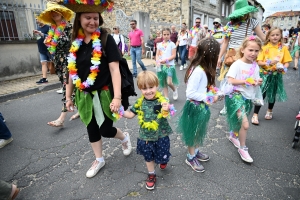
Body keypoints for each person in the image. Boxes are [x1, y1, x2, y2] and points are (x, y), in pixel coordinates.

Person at [63, 1, 132, 178]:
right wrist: (68, 97)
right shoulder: (75, 42)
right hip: (84, 94)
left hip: (105, 94)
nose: (92, 21)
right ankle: (99, 159)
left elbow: (115, 69)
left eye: (95, 18)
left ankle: (124, 138)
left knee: (105, 130)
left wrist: (117, 98)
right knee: (91, 128)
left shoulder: (105, 39)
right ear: (79, 19)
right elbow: (71, 72)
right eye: (88, 18)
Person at [123, 71, 174, 190]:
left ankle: (163, 160)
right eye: (144, 88)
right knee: (148, 156)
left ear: (156, 86)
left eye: (151, 87)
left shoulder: (162, 101)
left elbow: (166, 115)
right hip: (145, 136)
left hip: (161, 134)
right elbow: (130, 114)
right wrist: (119, 111)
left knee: (163, 155)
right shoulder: (139, 103)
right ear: (140, 89)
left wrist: (166, 109)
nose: (148, 91)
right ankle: (151, 174)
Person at [177, 37, 221, 172]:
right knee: (193, 133)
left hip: (201, 107)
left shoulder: (204, 69)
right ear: (211, 56)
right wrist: (208, 97)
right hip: (194, 107)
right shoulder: (198, 71)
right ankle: (190, 157)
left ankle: (195, 151)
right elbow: (190, 93)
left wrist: (212, 93)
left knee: (197, 132)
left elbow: (204, 88)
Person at [217, 0, 265, 115]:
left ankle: (245, 100)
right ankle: (227, 105)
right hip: (231, 56)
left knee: (244, 79)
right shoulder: (230, 25)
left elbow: (263, 38)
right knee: (229, 81)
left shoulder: (252, 22)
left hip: (245, 55)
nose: (244, 15)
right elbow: (225, 42)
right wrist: (219, 58)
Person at [37, 2, 80, 126]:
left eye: (57, 11)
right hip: (58, 61)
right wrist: (47, 41)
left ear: (62, 13)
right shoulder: (51, 28)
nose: (54, 13)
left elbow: (74, 43)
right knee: (72, 86)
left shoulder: (69, 27)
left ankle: (61, 118)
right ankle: (81, 110)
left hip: (69, 60)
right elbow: (52, 45)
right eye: (52, 12)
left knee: (67, 86)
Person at [223, 36, 263, 163]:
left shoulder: (255, 66)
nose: (253, 53)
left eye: (256, 51)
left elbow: (255, 80)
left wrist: (258, 81)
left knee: (238, 121)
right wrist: (245, 81)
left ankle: (233, 135)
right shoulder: (237, 64)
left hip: (247, 97)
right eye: (250, 50)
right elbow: (230, 80)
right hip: (236, 96)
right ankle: (242, 148)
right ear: (243, 49)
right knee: (245, 124)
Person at [252, 27, 292, 125]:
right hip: (265, 75)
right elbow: (259, 62)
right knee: (262, 94)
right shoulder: (264, 47)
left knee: (272, 94)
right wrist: (268, 63)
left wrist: (283, 67)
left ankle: (269, 110)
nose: (275, 37)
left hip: (276, 75)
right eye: (272, 35)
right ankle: (255, 114)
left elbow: (286, 62)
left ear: (280, 36)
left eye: (277, 35)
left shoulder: (283, 48)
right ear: (268, 36)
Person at [156, 28, 179, 100]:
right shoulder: (159, 45)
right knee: (164, 82)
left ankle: (174, 90)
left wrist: (166, 60)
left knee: (169, 82)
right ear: (162, 35)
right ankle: (166, 97)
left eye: (167, 34)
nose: (166, 36)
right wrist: (157, 62)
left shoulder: (172, 44)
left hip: (170, 66)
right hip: (161, 66)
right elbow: (157, 54)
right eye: (164, 34)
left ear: (170, 35)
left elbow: (173, 55)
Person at [33, 19, 50, 84]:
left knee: (56, 63)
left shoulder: (48, 27)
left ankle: (63, 77)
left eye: (38, 19)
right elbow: (38, 38)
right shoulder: (38, 28)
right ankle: (44, 78)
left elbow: (50, 37)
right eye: (36, 20)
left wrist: (41, 34)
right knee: (43, 63)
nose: (37, 21)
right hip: (41, 49)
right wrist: (35, 34)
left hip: (49, 49)